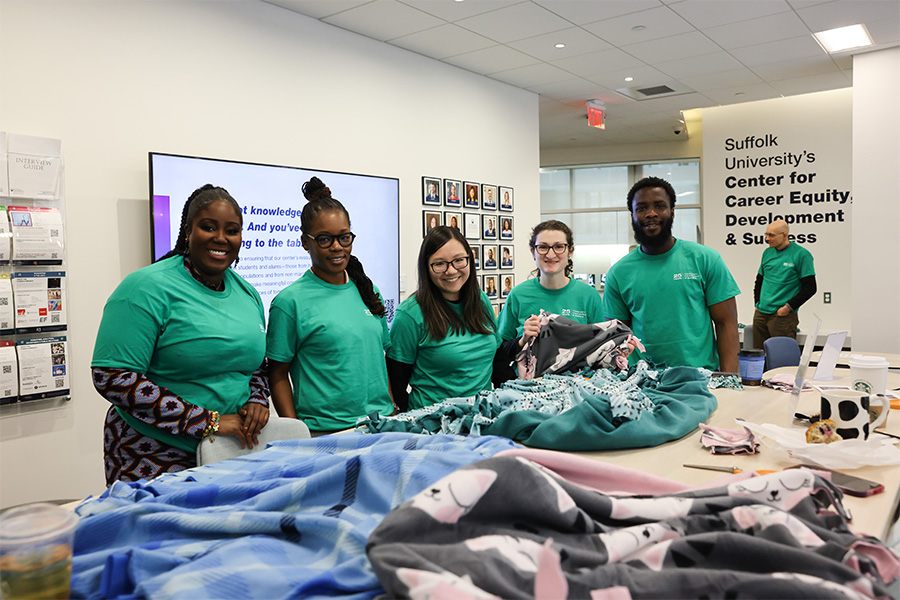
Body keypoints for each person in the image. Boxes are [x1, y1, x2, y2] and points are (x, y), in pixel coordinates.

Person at [92, 185, 269, 485]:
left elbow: (255, 364)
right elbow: (111, 376)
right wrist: (207, 421)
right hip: (153, 450)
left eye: (232, 230)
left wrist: (258, 399)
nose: (221, 238)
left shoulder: (247, 293)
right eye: (208, 227)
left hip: (233, 446)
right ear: (187, 231)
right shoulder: (145, 288)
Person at [266, 177, 393, 434]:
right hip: (325, 433)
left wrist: (392, 408)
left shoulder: (369, 291)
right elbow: (277, 375)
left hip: (382, 425)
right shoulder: (289, 302)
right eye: (324, 239)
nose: (337, 247)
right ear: (305, 242)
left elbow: (379, 362)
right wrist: (297, 434)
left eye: (344, 237)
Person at [603, 177, 740, 372]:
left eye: (659, 206)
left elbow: (726, 324)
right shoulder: (619, 273)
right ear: (632, 215)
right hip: (642, 380)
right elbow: (617, 339)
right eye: (641, 208)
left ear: (672, 212)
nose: (651, 213)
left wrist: (729, 378)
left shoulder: (705, 259)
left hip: (700, 378)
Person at [387, 226, 499, 411]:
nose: (451, 271)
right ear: (426, 267)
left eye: (459, 260)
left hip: (482, 417)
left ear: (470, 260)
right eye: (440, 264)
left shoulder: (481, 301)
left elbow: (497, 360)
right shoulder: (409, 315)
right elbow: (396, 383)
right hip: (434, 422)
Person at [494, 219, 604, 384]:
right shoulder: (518, 295)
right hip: (528, 390)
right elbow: (499, 351)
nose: (551, 254)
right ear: (533, 252)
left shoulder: (588, 295)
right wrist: (523, 340)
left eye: (559, 247)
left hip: (577, 388)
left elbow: (601, 348)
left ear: (570, 251)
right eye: (543, 247)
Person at [752, 219, 816, 347]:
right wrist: (757, 303)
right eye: (766, 235)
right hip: (761, 314)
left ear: (785, 235)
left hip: (782, 317)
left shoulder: (801, 255)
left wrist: (788, 308)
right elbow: (759, 280)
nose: (767, 239)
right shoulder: (767, 253)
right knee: (759, 355)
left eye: (771, 235)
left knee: (781, 355)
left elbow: (810, 287)